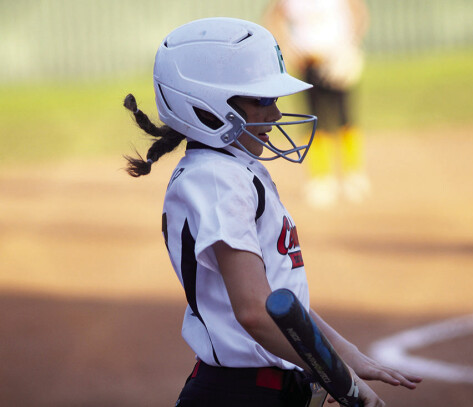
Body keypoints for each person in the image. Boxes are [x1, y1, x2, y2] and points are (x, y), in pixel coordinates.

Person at [123, 17, 421, 407]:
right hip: (242, 394)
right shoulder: (216, 179)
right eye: (262, 100)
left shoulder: (228, 170)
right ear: (207, 105)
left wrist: (346, 354)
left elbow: (280, 303)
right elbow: (255, 311)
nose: (277, 114)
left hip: (262, 390)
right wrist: (339, 378)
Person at [264, 0, 371, 207]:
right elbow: (273, 17)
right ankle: (321, 178)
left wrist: (352, 45)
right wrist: (287, 47)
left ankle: (353, 174)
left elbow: (359, 11)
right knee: (314, 119)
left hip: (338, 60)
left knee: (345, 116)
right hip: (309, 62)